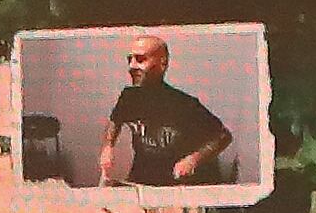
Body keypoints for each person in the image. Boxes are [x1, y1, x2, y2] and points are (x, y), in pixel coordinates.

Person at [103, 32, 242, 188]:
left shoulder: (185, 104)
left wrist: (193, 160)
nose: (132, 66)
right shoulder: (128, 97)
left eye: (140, 59)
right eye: (130, 60)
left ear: (162, 63)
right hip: (141, 178)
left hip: (175, 184)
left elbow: (223, 136)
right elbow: (115, 121)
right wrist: (108, 147)